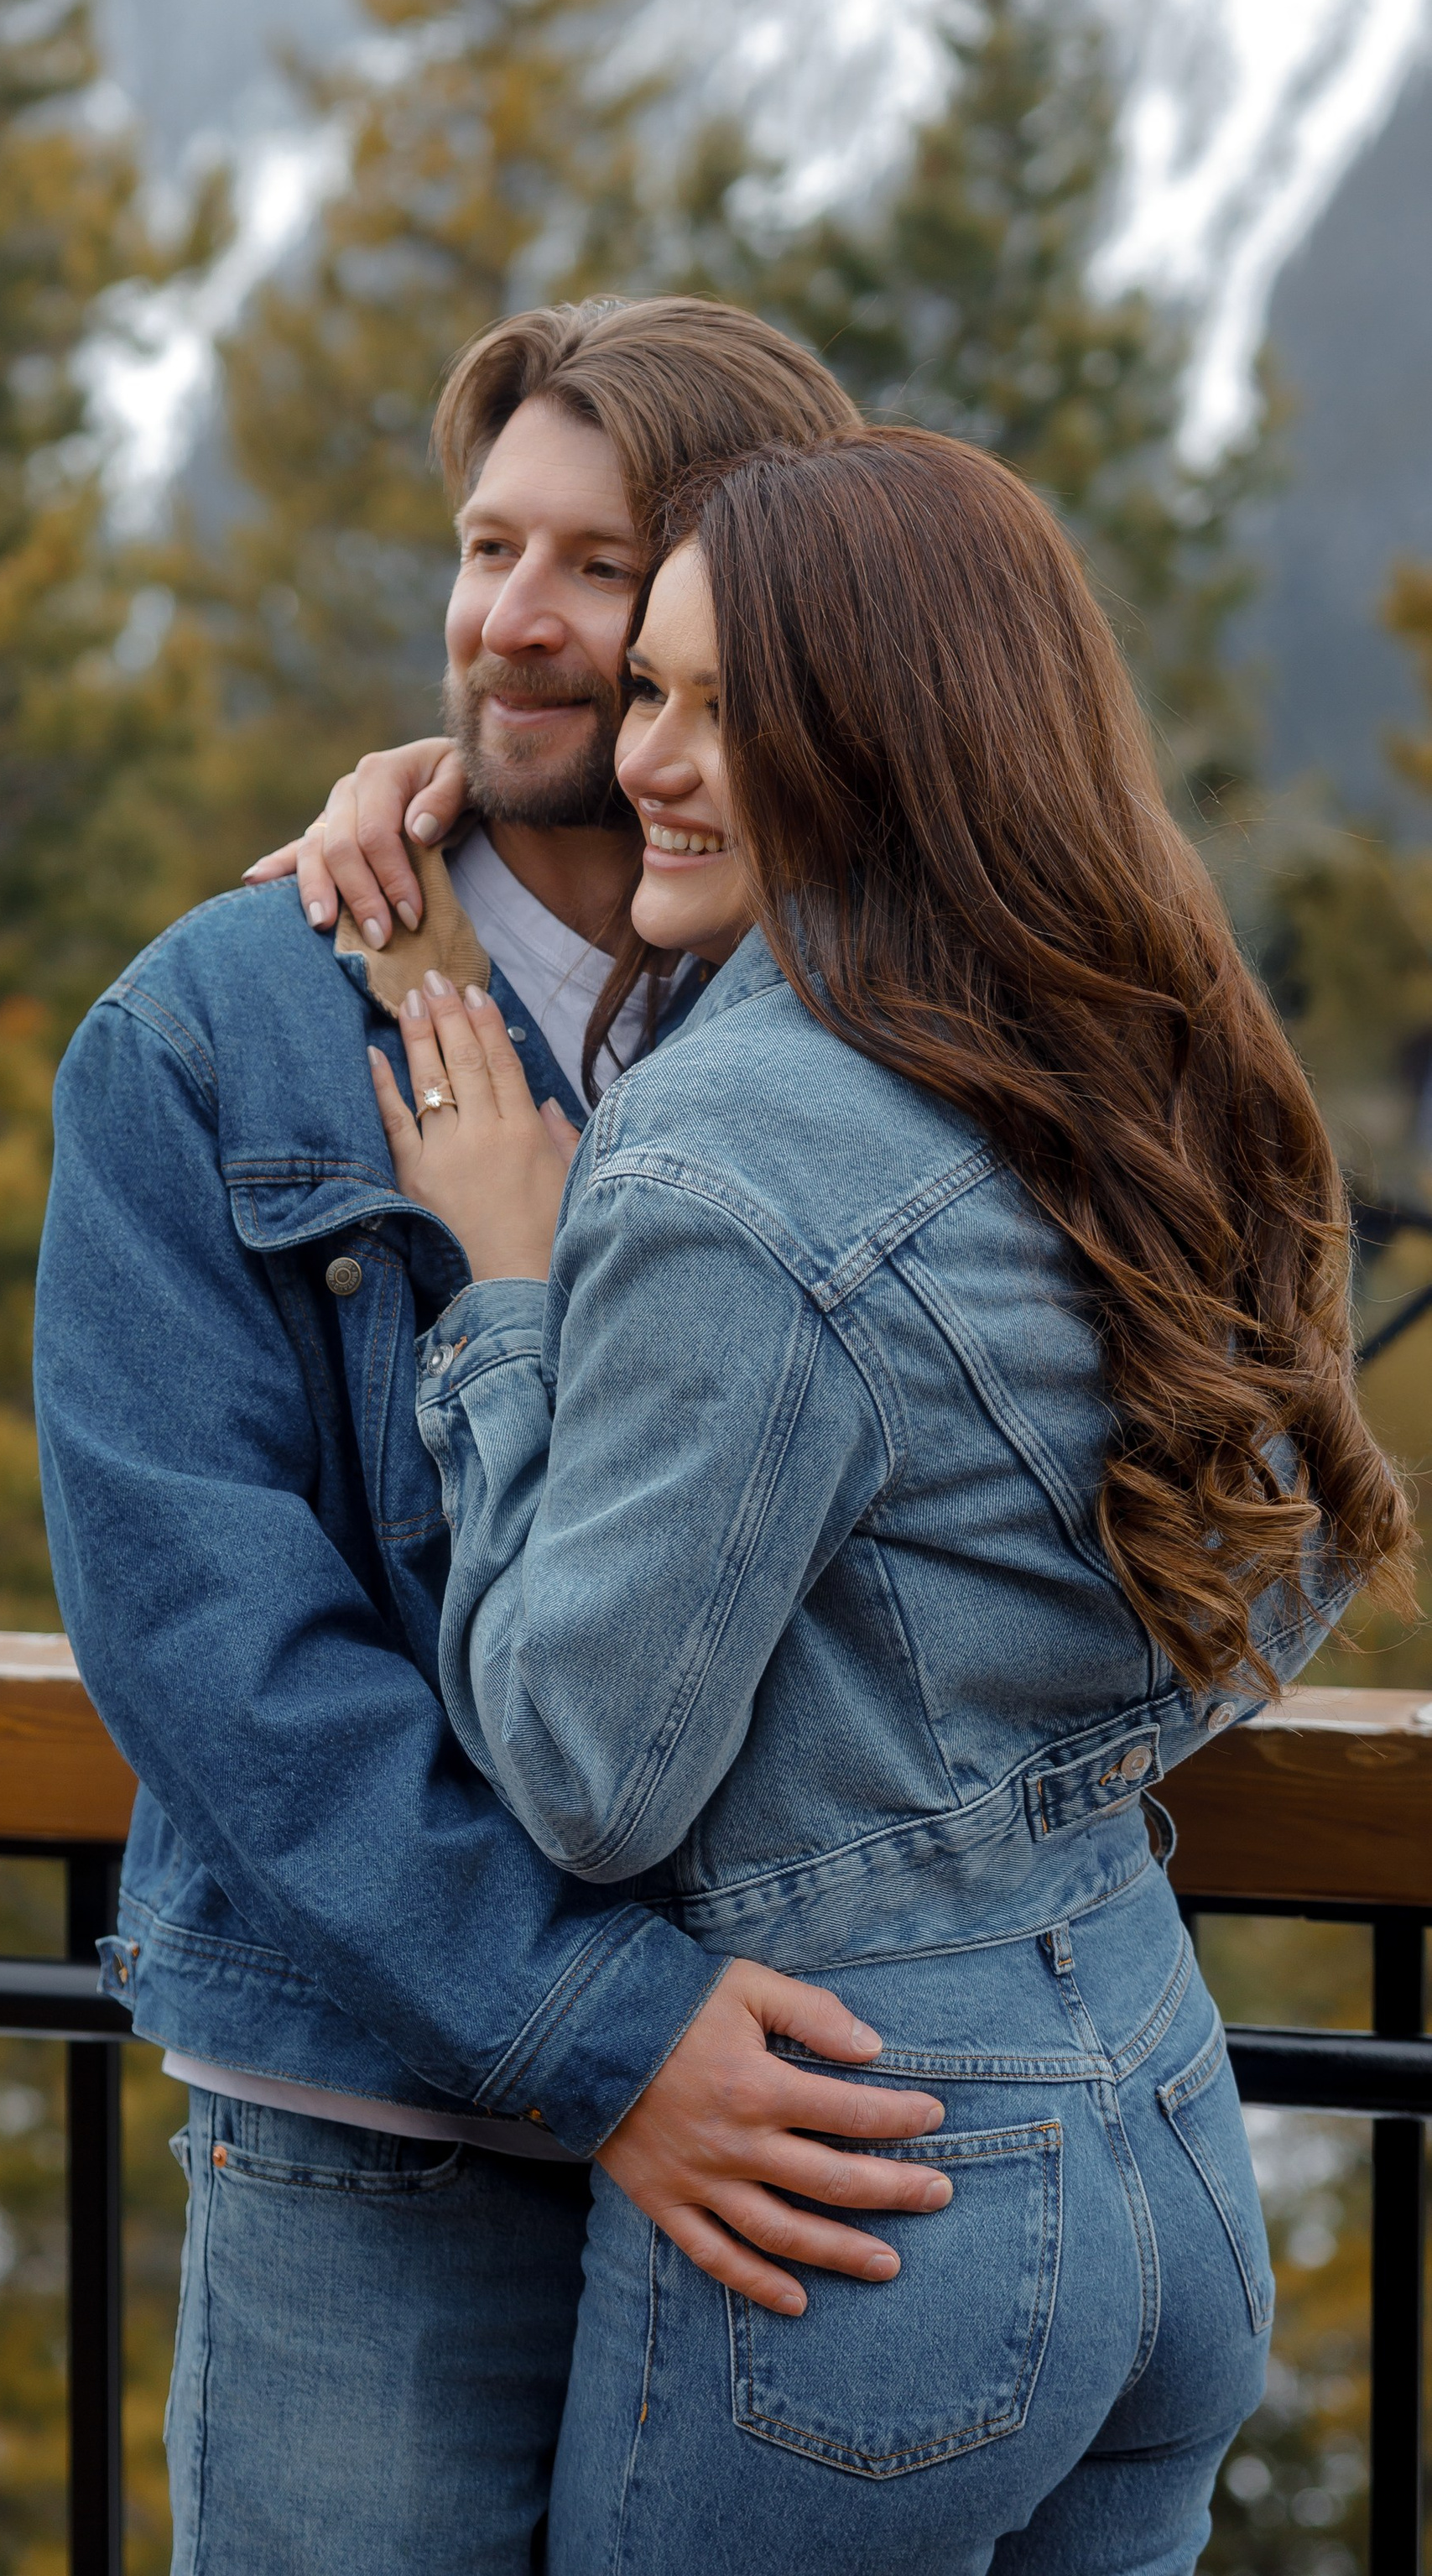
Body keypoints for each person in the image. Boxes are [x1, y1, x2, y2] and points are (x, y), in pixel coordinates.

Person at [367, 423, 1412, 2573]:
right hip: (1152, 2112)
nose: (652, 757)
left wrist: (502, 1297)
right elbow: (1286, 1558)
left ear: (890, 736)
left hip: (857, 2187)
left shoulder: (722, 1152)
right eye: (646, 688)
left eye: (729, 710)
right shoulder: (1139, 1058)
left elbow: (583, 1775)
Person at [34, 300, 956, 2575]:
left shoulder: (888, 1015)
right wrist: (595, 2027)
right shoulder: (216, 1038)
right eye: (483, 551)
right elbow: (206, 1633)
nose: (512, 628)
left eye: (601, 570)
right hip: (385, 2136)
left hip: (816, 2112)